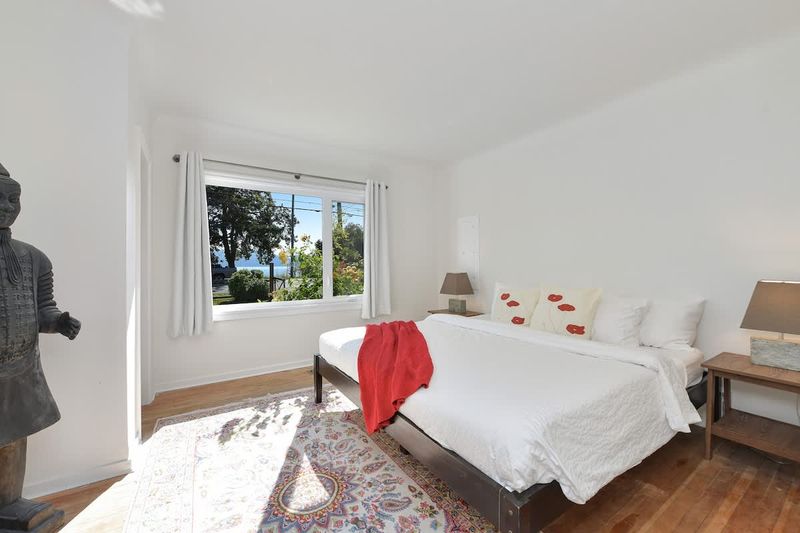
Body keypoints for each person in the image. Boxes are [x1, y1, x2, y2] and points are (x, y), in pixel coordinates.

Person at [0, 162, 81, 520]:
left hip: (20, 368)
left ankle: (9, 502)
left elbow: (43, 310)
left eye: (12, 199)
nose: (6, 207)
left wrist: (59, 322)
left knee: (14, 438)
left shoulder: (34, 259)